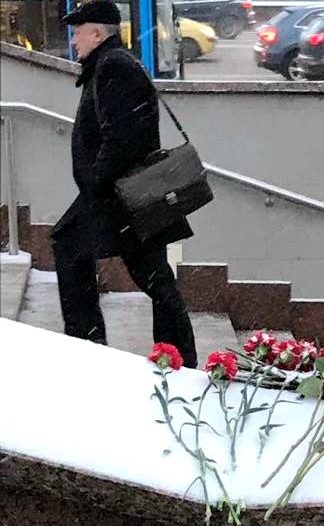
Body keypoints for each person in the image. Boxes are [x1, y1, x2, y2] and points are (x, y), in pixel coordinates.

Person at [52, 0, 197, 367]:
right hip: (127, 192)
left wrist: (95, 182)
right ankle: (177, 356)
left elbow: (123, 139)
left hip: (122, 195)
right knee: (155, 277)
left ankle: (88, 343)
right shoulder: (110, 64)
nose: (74, 41)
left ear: (97, 33)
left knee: (70, 246)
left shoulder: (114, 66)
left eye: (78, 33)